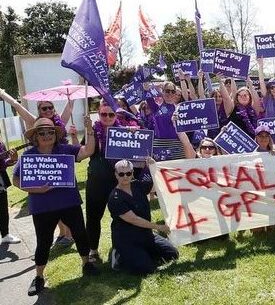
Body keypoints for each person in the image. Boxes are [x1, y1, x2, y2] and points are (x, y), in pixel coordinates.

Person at [13, 117, 98, 296]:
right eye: (41, 133)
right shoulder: (28, 156)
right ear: (35, 137)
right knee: (43, 242)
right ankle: (39, 277)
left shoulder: (65, 150)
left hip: (69, 202)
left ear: (55, 134)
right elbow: (16, 180)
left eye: (50, 132)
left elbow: (89, 150)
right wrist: (37, 189)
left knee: (80, 234)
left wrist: (89, 129)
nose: (46, 135)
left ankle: (86, 263)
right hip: (42, 206)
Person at [108, 159, 178, 275]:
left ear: (132, 173)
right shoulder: (115, 198)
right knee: (146, 270)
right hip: (127, 239)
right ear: (115, 174)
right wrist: (158, 227)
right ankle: (119, 255)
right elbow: (134, 219)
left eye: (128, 173)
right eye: (121, 174)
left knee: (172, 254)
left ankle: (143, 253)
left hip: (146, 234)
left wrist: (152, 165)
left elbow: (157, 181)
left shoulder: (138, 186)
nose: (125, 177)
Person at [84, 102, 124, 263]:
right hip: (97, 181)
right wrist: (87, 132)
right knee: (94, 217)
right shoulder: (92, 131)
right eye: (103, 114)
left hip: (118, 180)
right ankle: (93, 250)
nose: (107, 118)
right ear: (98, 115)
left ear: (116, 116)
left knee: (120, 216)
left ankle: (120, 247)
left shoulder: (124, 132)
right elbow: (85, 152)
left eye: (111, 114)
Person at [1, 136, 21, 244]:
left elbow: (4, 162)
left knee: (3, 208)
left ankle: (5, 234)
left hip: (0, 181)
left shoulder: (1, 145)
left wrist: (13, 159)